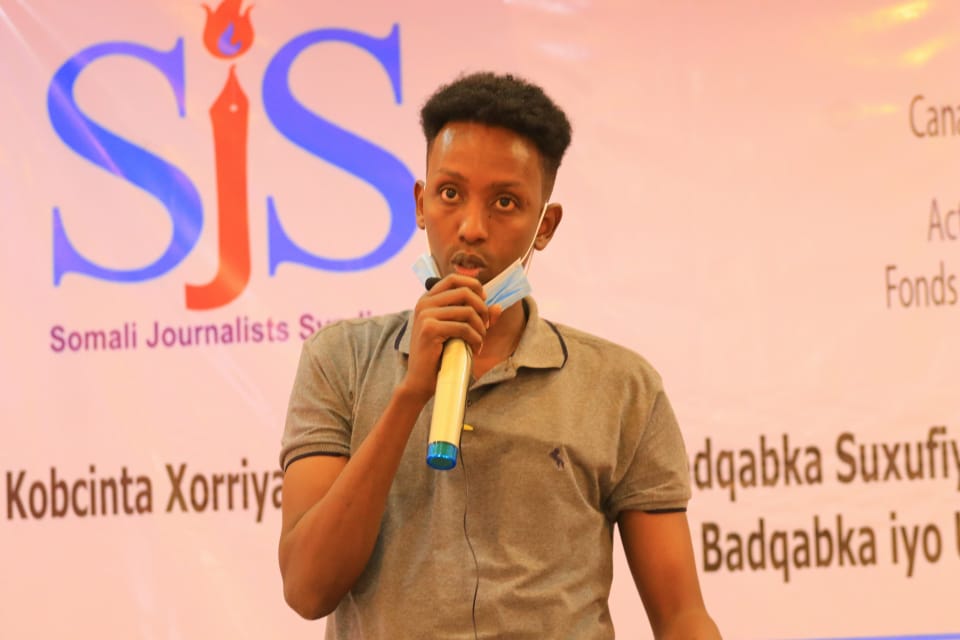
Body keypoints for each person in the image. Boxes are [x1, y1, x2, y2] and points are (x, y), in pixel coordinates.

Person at [278, 71, 721, 639]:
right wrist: (413, 390)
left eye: (506, 202)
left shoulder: (622, 386)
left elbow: (681, 614)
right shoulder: (338, 361)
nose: (471, 227)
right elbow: (308, 589)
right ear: (419, 202)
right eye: (450, 194)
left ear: (546, 226)